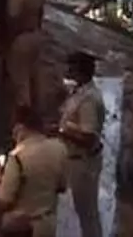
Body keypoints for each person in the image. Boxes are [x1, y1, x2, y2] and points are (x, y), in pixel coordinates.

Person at [0, 105, 66, 237]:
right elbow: (62, 186)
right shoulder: (59, 149)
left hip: (21, 227)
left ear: (20, 128)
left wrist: (0, 180)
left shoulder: (17, 157)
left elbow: (4, 200)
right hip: (47, 225)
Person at [58, 51, 106, 237]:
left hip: (83, 162)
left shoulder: (90, 100)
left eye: (72, 68)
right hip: (72, 159)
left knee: (87, 213)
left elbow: (89, 138)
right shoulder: (78, 92)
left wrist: (62, 132)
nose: (68, 71)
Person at [3, 0, 46, 112]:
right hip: (37, 36)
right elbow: (41, 15)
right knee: (34, 81)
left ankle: (23, 123)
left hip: (20, 40)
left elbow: (12, 18)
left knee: (20, 85)